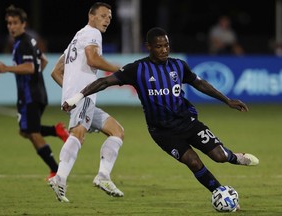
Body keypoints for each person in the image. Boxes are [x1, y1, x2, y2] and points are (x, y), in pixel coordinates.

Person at [63, 27, 259, 209]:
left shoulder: (178, 66)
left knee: (220, 157)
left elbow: (200, 84)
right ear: (149, 47)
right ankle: (220, 192)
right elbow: (104, 81)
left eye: (166, 45)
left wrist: (227, 101)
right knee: (193, 162)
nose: (164, 50)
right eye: (159, 46)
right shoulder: (137, 69)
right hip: (163, 132)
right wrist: (77, 97)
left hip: (188, 123)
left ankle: (234, 157)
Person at [48, 2, 125, 202]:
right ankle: (60, 178)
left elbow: (55, 72)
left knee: (117, 131)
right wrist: (117, 69)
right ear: (91, 16)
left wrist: (70, 94)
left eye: (109, 16)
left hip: (81, 97)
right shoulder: (92, 34)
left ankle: (103, 176)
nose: (107, 19)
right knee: (78, 134)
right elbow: (92, 59)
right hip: (83, 96)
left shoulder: (77, 37)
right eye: (103, 15)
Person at [0, 5, 69, 180]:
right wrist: (35, 78)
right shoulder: (28, 41)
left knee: (33, 133)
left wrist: (6, 68)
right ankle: (56, 130)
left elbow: (30, 67)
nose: (11, 27)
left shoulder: (24, 44)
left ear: (23, 24)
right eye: (8, 23)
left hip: (30, 96)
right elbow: (42, 61)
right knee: (25, 131)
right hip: (34, 93)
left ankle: (56, 171)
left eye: (14, 23)